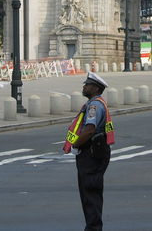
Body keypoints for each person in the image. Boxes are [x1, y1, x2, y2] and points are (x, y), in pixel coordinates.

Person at [63, 72, 114, 231]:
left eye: (87, 84)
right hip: (95, 152)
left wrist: (75, 145)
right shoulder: (96, 103)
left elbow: (89, 130)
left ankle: (93, 228)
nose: (84, 87)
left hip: (91, 154)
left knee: (90, 193)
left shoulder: (94, 106)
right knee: (89, 193)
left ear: (96, 88)